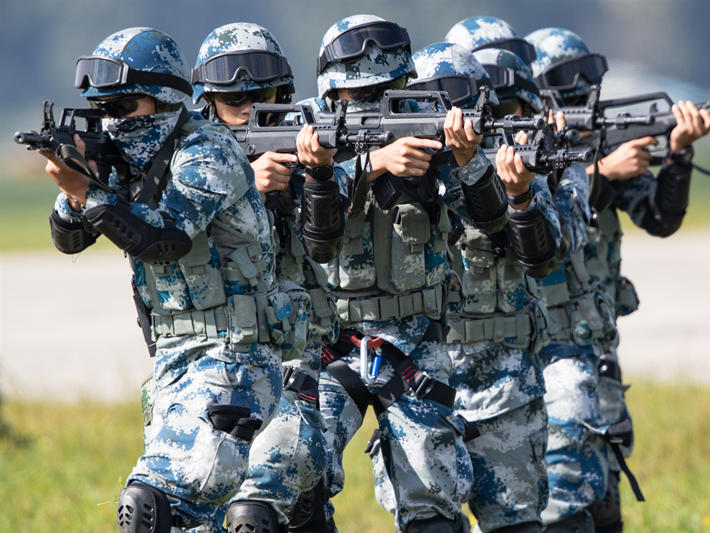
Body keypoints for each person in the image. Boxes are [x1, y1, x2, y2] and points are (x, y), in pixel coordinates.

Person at [38, 27, 290, 532]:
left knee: (149, 508)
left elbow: (165, 238)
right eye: (105, 109)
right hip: (173, 362)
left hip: (234, 356)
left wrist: (89, 193)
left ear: (168, 100)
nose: (115, 122)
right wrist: (74, 192)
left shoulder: (208, 149)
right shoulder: (125, 160)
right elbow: (68, 240)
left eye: (127, 106)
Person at [308, 14, 511, 533]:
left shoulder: (428, 128)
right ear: (332, 97)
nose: (373, 103)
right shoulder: (311, 141)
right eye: (359, 95)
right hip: (332, 341)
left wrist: (468, 162)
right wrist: (369, 164)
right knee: (287, 483)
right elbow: (312, 230)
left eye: (387, 91)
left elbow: (494, 226)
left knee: (432, 513)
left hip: (416, 341)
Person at [527, 27, 710, 532]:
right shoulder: (525, 158)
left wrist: (678, 155)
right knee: (553, 502)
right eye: (566, 83)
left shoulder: (596, 144)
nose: (580, 92)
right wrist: (601, 176)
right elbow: (540, 233)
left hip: (597, 351)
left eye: (586, 80)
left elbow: (660, 218)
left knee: (605, 501)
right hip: (544, 354)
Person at [186, 22, 350, 532]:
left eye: (260, 95)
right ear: (209, 102)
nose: (247, 106)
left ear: (283, 94)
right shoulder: (192, 167)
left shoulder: (310, 159)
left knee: (281, 513)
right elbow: (169, 244)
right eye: (232, 97)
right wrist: (241, 188)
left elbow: (327, 244)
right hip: (211, 363)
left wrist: (317, 176)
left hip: (294, 364)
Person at [407, 41, 559, 533]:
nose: (447, 114)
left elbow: (541, 254)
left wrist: (518, 196)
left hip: (503, 386)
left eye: (456, 97)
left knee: (515, 525)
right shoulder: (395, 164)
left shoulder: (512, 156)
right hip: (422, 384)